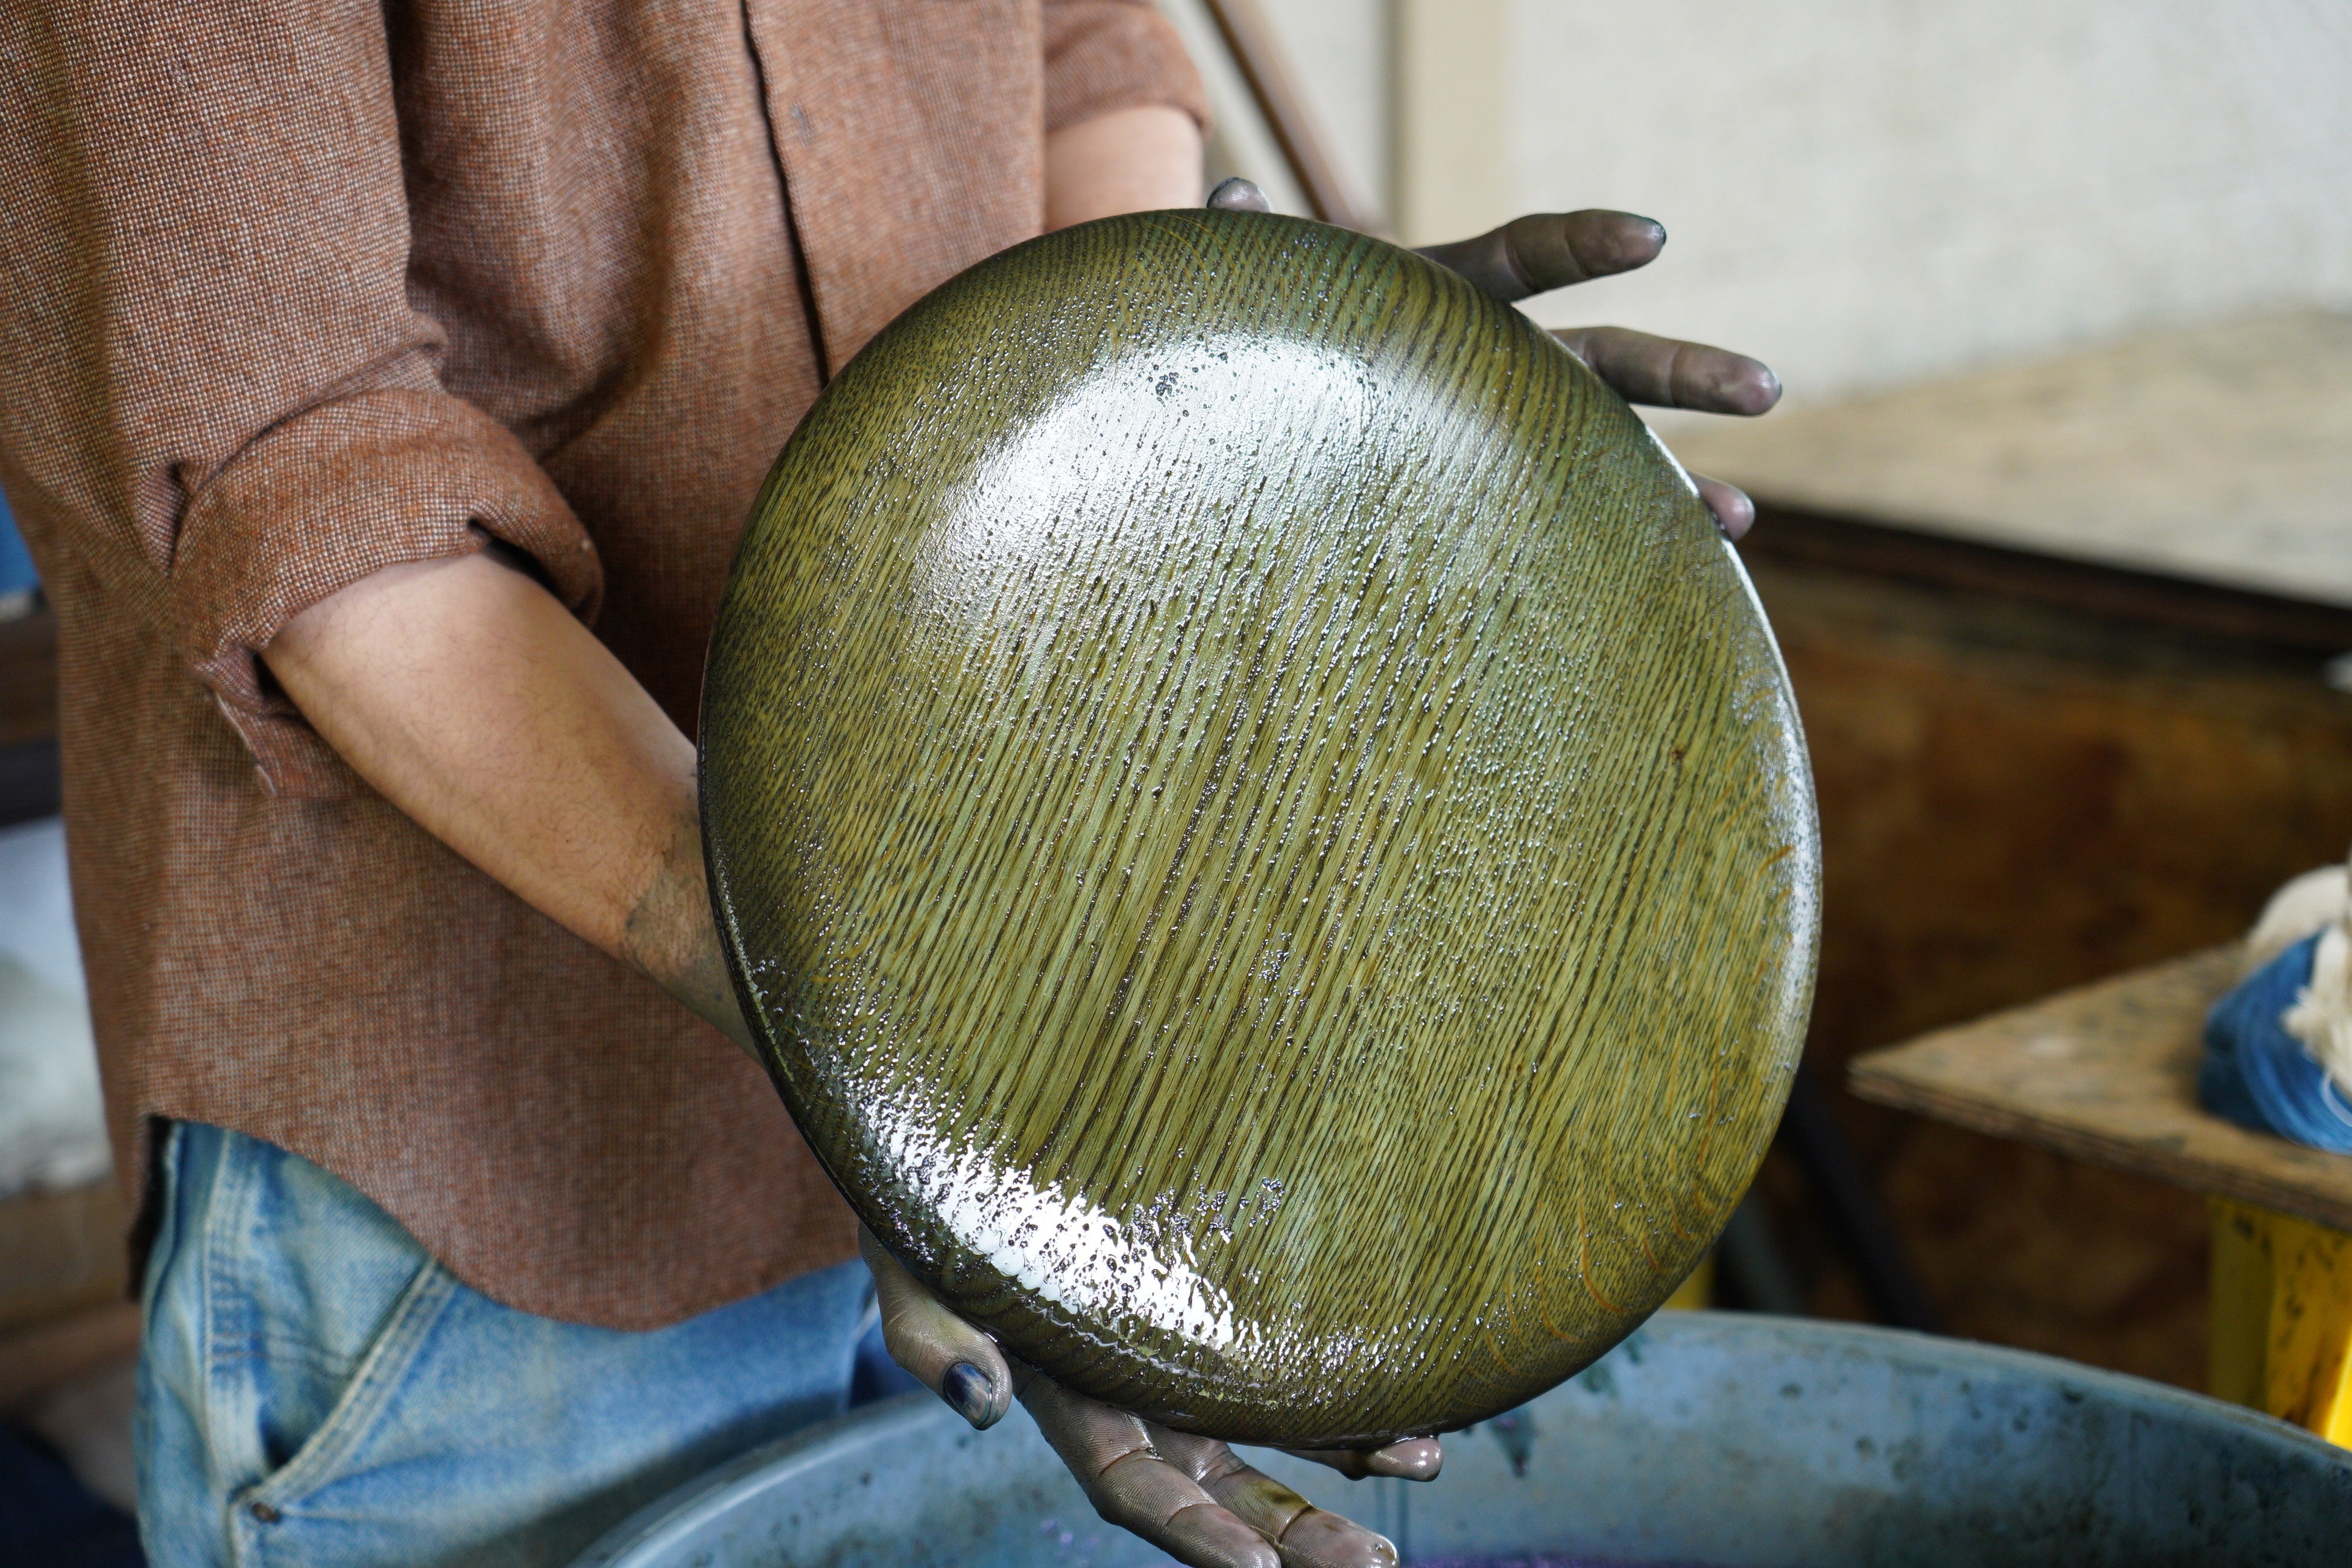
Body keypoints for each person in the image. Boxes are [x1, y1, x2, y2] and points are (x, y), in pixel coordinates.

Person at [0, 4, 1780, 1564]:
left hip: (1043, 1030)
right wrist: (924, 1076)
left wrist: (1249, 420)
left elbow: (1081, 62)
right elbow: (308, 492)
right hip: (493, 1183)